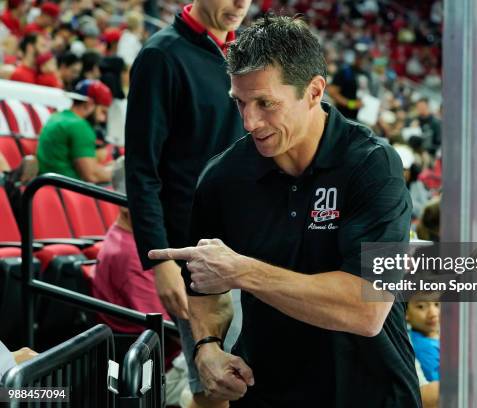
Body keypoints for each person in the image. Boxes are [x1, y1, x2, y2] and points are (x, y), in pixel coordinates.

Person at [149, 15, 422, 408]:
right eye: (240, 102)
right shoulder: (222, 178)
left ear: (313, 91)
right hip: (268, 389)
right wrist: (207, 347)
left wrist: (243, 270)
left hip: (371, 391)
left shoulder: (372, 164)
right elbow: (206, 289)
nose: (249, 121)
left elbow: (367, 307)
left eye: (266, 104)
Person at [124, 1, 251, 407]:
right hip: (195, 258)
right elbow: (142, 170)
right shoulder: (161, 56)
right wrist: (160, 262)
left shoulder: (245, 53)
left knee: (242, 382)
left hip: (250, 246)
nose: (240, 3)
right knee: (216, 388)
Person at [91, 157, 190, 406]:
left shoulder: (131, 242)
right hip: (159, 375)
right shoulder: (130, 254)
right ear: (131, 202)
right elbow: (174, 331)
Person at [37, 79, 113, 183]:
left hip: (49, 187)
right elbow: (91, 176)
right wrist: (117, 172)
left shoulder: (55, 117)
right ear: (89, 104)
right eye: (102, 111)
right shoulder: (79, 126)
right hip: (66, 190)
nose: (102, 119)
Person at [406, 294, 440, 382]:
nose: (433, 313)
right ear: (405, 313)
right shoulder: (424, 348)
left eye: (437, 304)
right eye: (421, 306)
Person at [327, 49, 369, 120]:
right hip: (343, 116)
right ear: (356, 57)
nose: (362, 60)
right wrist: (351, 104)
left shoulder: (365, 74)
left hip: (359, 117)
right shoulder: (345, 71)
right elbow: (332, 93)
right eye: (360, 57)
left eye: (365, 58)